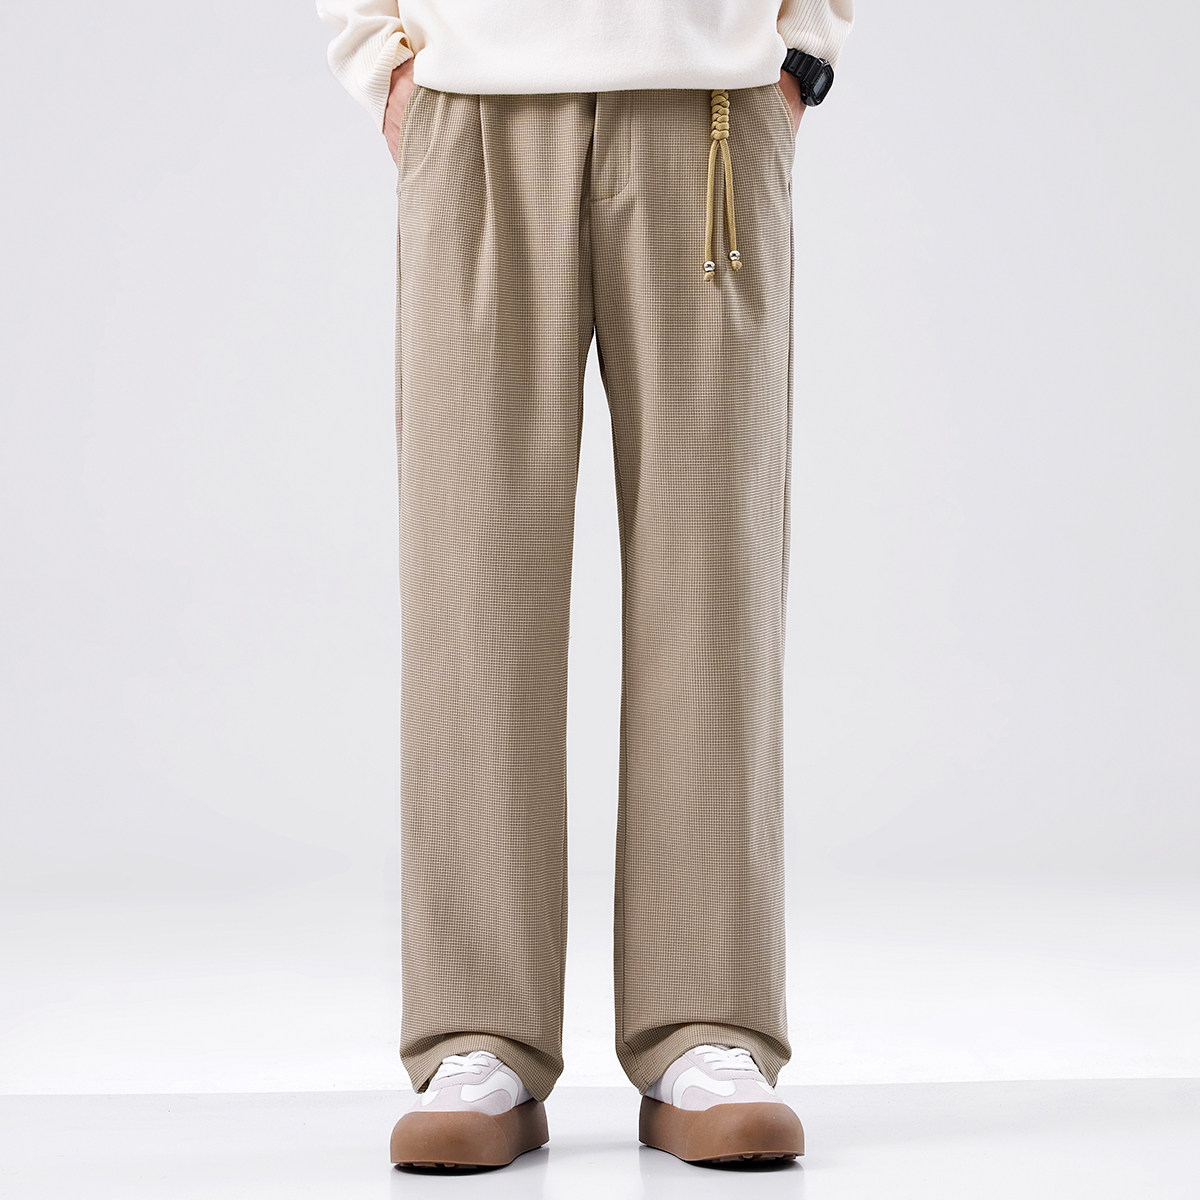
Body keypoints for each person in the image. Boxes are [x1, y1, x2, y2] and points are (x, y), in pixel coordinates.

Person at [316, 0, 854, 1170]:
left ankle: (708, 1026)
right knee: (469, 580)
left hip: (711, 109)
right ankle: (476, 1034)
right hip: (470, 104)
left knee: (713, 582)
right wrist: (381, 64)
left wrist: (803, 54)